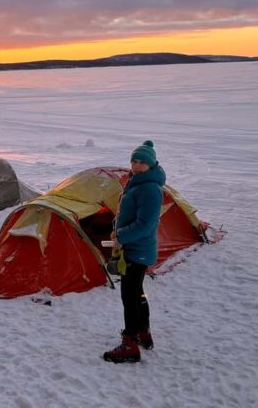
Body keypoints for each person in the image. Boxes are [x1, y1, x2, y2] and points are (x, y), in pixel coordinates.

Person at [103, 140, 165, 363]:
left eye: (142, 162)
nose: (137, 165)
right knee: (138, 292)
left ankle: (130, 344)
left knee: (129, 296)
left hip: (137, 249)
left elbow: (145, 225)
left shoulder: (149, 189)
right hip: (136, 248)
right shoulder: (138, 182)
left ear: (151, 164)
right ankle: (143, 333)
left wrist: (120, 236)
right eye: (134, 161)